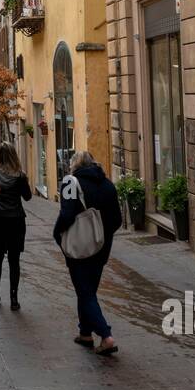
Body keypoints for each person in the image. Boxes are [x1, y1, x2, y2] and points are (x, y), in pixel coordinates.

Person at [53, 150, 122, 355]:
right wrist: (101, 236)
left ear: (74, 166)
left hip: (79, 247)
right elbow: (117, 219)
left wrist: (57, 234)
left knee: (85, 292)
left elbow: (66, 215)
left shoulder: (70, 183)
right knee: (87, 291)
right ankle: (85, 333)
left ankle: (106, 335)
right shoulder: (108, 184)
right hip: (101, 248)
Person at [0, 142, 32, 310]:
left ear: (0, 155)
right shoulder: (20, 176)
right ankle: (14, 298)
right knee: (14, 260)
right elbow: (28, 197)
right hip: (16, 220)